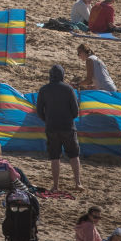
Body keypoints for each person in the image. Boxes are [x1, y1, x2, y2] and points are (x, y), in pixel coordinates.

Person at [35, 64, 81, 193]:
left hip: (51, 127)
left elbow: (39, 111)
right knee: (74, 155)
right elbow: (76, 111)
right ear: (62, 75)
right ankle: (78, 183)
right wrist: (68, 118)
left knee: (54, 157)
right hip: (68, 127)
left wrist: (47, 120)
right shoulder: (68, 89)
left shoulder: (44, 90)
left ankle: (55, 186)